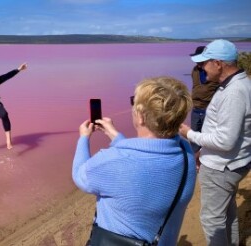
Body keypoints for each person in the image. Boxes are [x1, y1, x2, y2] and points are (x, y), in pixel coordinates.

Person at [73, 76, 196, 245]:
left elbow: (80, 176)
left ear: (141, 117)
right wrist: (114, 135)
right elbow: (147, 155)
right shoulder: (185, 152)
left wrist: (83, 138)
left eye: (134, 103)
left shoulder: (112, 161)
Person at [180, 39, 251, 246]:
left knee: (212, 220)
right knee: (227, 213)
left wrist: (190, 134)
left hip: (222, 168)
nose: (201, 67)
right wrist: (203, 150)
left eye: (204, 62)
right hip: (232, 163)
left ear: (218, 63)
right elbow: (228, 133)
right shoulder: (241, 83)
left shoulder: (233, 92)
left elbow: (225, 140)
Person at [189, 46, 219, 153]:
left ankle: (205, 157)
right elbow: (196, 87)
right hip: (196, 108)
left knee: (208, 136)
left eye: (201, 61)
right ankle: (194, 158)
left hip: (209, 109)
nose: (198, 63)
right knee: (193, 136)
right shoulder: (195, 70)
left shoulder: (215, 73)